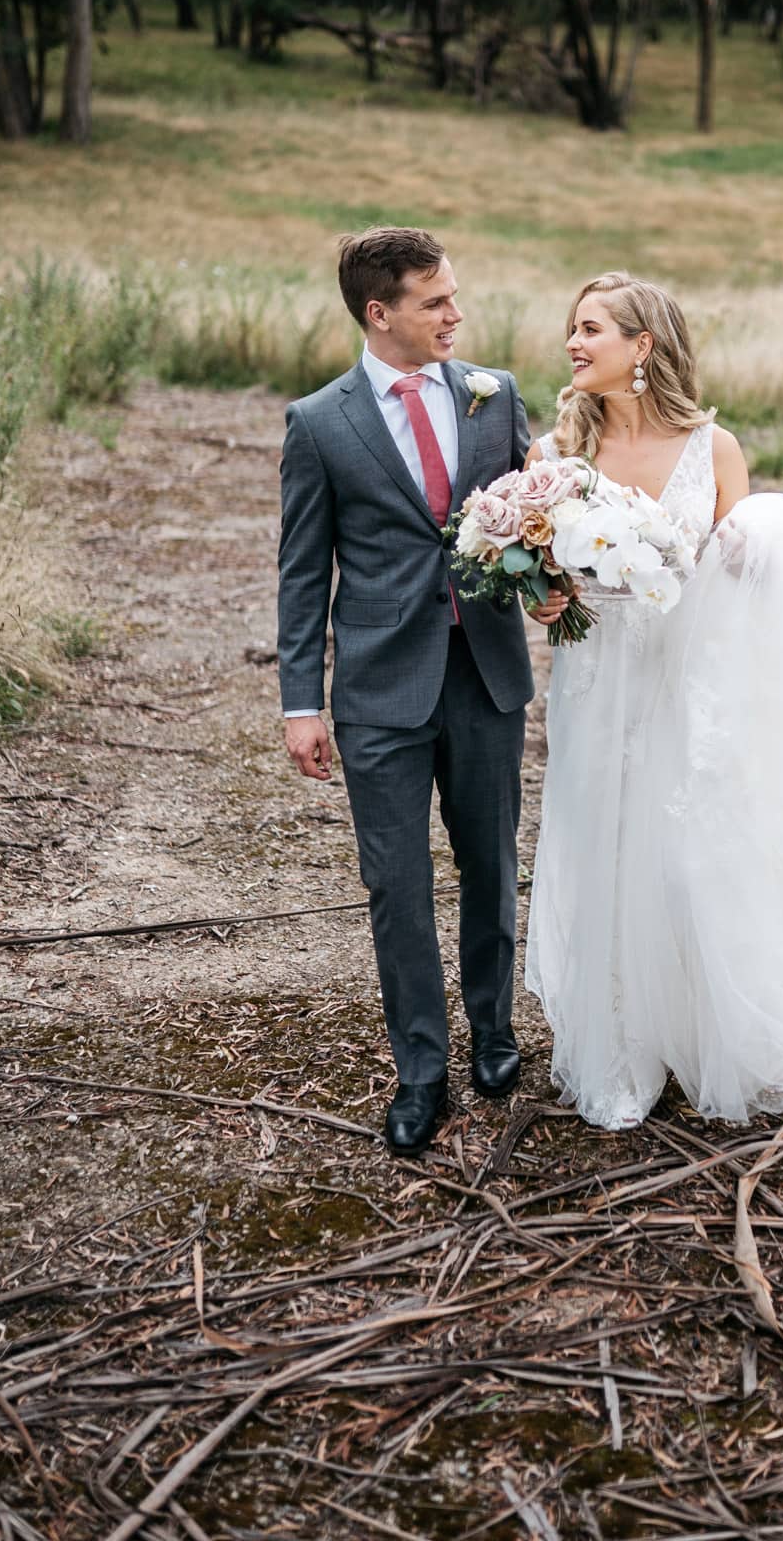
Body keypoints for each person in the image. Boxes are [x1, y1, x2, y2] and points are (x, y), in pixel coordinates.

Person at [524, 272, 783, 1130]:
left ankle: (708, 1035)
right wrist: (540, 598)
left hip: (689, 681)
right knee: (601, 843)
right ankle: (620, 1043)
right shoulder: (553, 458)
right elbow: (538, 580)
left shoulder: (713, 448)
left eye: (590, 330)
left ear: (643, 347)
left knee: (692, 849)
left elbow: (750, 573)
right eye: (571, 332)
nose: (573, 345)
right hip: (594, 680)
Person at [277, 227, 533, 1156]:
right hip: (379, 690)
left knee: (493, 866)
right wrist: (300, 702)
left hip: (486, 673)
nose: (456, 314)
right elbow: (303, 573)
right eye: (435, 302)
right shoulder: (320, 423)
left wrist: (555, 581)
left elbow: (535, 513)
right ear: (379, 314)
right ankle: (421, 1072)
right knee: (397, 885)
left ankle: (494, 1033)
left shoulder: (494, 395)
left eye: (455, 295)